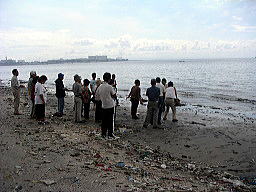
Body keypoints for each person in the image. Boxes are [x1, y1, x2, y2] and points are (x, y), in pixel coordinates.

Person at [96, 72, 118, 139]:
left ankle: (103, 133)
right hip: (110, 105)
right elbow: (114, 95)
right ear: (109, 79)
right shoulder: (109, 87)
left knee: (104, 120)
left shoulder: (100, 87)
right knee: (110, 120)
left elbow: (97, 97)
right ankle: (110, 134)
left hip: (103, 105)